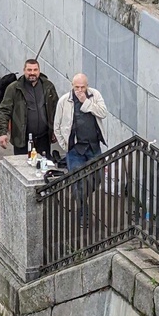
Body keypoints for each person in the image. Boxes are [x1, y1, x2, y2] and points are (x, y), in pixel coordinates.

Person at [54, 73, 107, 222]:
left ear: (87, 86)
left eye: (83, 87)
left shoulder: (95, 95)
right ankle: (83, 209)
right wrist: (65, 145)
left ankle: (83, 196)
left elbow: (103, 113)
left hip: (93, 146)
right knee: (77, 179)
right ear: (72, 86)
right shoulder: (64, 101)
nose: (80, 90)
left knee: (97, 178)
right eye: (77, 87)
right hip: (75, 149)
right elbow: (56, 126)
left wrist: (86, 103)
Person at [0, 59, 59, 159]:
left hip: (43, 139)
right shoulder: (14, 88)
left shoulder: (48, 86)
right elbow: (4, 111)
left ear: (39, 71)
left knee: (44, 168)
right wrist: (2, 133)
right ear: (24, 70)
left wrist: (56, 130)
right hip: (22, 139)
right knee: (23, 169)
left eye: (35, 70)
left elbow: (56, 109)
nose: (32, 73)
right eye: (29, 70)